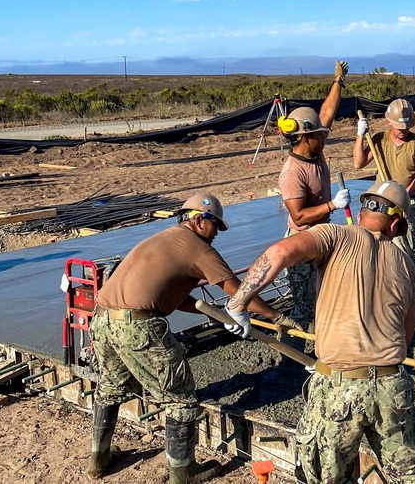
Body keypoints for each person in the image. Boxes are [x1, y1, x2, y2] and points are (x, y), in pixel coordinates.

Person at [224, 181, 415, 484]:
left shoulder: (335, 235)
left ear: (363, 211)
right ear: (395, 223)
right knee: (411, 473)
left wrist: (237, 303)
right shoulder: (404, 261)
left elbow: (280, 252)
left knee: (327, 476)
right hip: (392, 384)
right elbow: (405, 335)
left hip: (340, 388)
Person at [88, 193, 285, 484]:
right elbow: (236, 289)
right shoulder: (198, 248)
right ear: (198, 220)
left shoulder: (166, 238)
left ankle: (98, 459)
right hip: (138, 327)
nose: (217, 233)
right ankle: (183, 471)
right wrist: (274, 317)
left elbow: (174, 298)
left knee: (110, 387)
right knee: (181, 398)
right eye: (215, 225)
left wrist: (223, 316)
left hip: (103, 319)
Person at [277, 60, 349, 335]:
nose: (325, 134)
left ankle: (325, 345)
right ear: (306, 138)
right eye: (319, 133)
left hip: (321, 235)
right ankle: (291, 358)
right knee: (303, 306)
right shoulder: (293, 172)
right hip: (301, 244)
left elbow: (327, 112)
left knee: (326, 296)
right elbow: (298, 216)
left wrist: (338, 82)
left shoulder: (315, 150)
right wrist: (333, 205)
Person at [352, 98, 415, 255]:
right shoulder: (379, 140)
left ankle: (411, 279)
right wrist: (360, 135)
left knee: (404, 252)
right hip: (379, 204)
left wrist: (403, 196)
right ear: (389, 121)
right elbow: (358, 163)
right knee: (378, 249)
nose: (403, 130)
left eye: (407, 127)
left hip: (407, 202)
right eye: (399, 127)